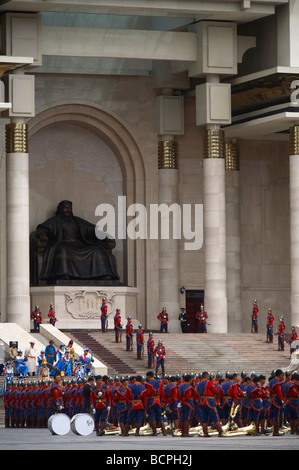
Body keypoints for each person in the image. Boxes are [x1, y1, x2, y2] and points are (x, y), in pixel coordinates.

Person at [33, 200, 120, 283]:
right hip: (63, 243)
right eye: (65, 207)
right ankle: (64, 274)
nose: (68, 210)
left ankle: (104, 274)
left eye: (69, 208)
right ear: (60, 209)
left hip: (80, 244)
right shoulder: (55, 220)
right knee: (63, 251)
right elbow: (43, 229)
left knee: (97, 251)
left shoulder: (77, 221)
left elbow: (92, 230)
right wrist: (43, 235)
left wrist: (104, 235)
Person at [195, 371, 223, 437]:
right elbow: (215, 391)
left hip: (202, 401)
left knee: (204, 418)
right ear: (207, 376)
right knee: (215, 416)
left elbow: (196, 391)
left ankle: (205, 433)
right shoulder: (209, 382)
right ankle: (220, 431)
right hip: (209, 401)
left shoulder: (199, 384)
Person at [145, 370, 167, 436]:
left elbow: (148, 393)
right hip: (158, 400)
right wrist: (162, 402)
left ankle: (155, 432)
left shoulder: (148, 383)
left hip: (151, 400)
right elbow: (162, 392)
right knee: (160, 416)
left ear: (148, 376)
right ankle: (164, 432)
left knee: (152, 416)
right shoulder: (160, 382)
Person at [269, 369, 284, 436]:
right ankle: (276, 431)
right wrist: (282, 401)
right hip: (276, 400)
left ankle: (274, 430)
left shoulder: (271, 381)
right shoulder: (278, 382)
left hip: (272, 399)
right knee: (277, 416)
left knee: (274, 416)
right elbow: (279, 393)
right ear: (280, 375)